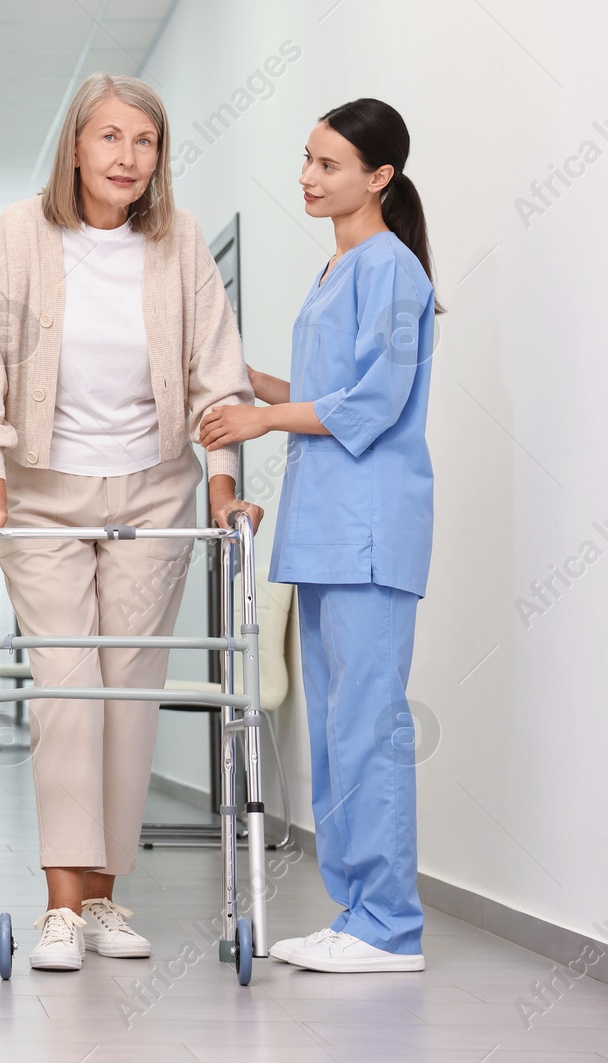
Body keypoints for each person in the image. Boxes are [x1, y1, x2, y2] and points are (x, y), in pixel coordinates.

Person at [0, 73, 261, 973]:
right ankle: (57, 903)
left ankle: (105, 897)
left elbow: (217, 370)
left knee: (129, 692)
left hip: (156, 489)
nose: (128, 158)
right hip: (44, 491)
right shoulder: (23, 234)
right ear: (75, 148)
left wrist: (224, 482)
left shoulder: (182, 241)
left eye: (146, 142)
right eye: (110, 138)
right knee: (64, 686)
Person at [199, 98, 438, 973]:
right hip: (326, 531)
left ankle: (391, 927)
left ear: (378, 178)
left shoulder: (392, 271)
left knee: (369, 727)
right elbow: (323, 386)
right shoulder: (336, 269)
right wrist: (246, 383)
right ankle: (357, 914)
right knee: (337, 732)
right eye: (307, 158)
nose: (309, 176)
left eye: (330, 165)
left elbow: (372, 404)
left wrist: (264, 420)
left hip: (371, 531)